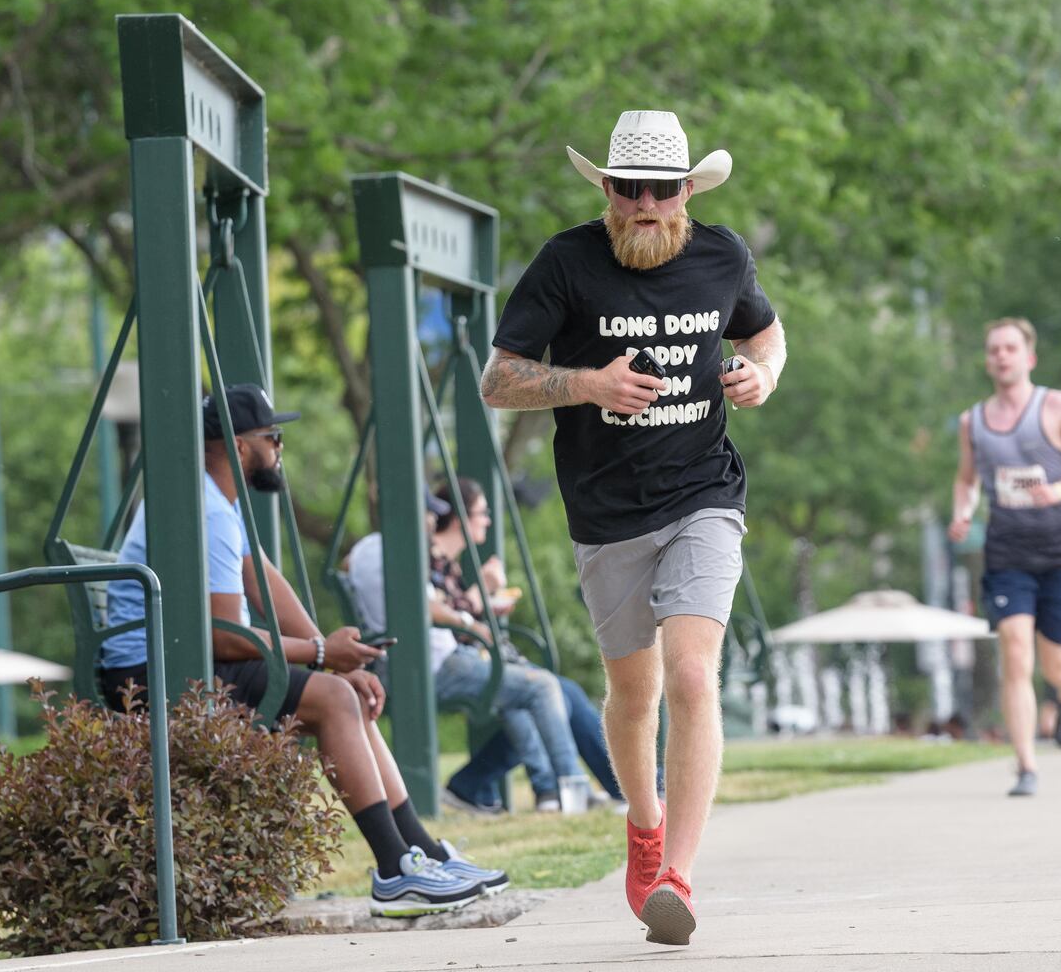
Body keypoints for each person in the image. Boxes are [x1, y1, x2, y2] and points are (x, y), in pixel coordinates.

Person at [479, 109, 786, 946]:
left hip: (704, 496)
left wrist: (762, 373)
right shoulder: (565, 263)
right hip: (606, 513)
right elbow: (498, 380)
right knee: (633, 691)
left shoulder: (722, 255)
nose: (646, 203)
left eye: (662, 188)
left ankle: (677, 876)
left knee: (692, 678)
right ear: (607, 190)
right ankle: (643, 830)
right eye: (629, 188)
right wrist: (587, 385)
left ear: (688, 190)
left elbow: (765, 331)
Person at [100, 384, 506, 918]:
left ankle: (420, 853)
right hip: (150, 674)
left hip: (185, 659)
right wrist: (318, 655)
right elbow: (222, 634)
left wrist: (336, 656)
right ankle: (394, 871)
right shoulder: (208, 512)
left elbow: (266, 586)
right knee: (335, 700)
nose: (280, 446)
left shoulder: (216, 501)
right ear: (241, 447)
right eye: (273, 436)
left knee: (346, 695)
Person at [348, 478, 589, 813]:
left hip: (419, 657)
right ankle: (571, 788)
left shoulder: (367, 550)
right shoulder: (397, 550)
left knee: (521, 691)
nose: (432, 522)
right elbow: (424, 605)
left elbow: (403, 595)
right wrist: (469, 621)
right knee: (543, 686)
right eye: (429, 514)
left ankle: (547, 793)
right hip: (430, 663)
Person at [948, 318, 1061, 797]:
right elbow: (966, 479)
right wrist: (963, 511)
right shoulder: (972, 422)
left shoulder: (1058, 406)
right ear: (987, 360)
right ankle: (1026, 766)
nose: (1002, 356)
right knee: (1015, 651)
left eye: (1010, 348)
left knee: (1055, 663)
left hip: (1058, 553)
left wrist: (1059, 488)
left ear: (1029, 357)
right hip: (1006, 553)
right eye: (994, 349)